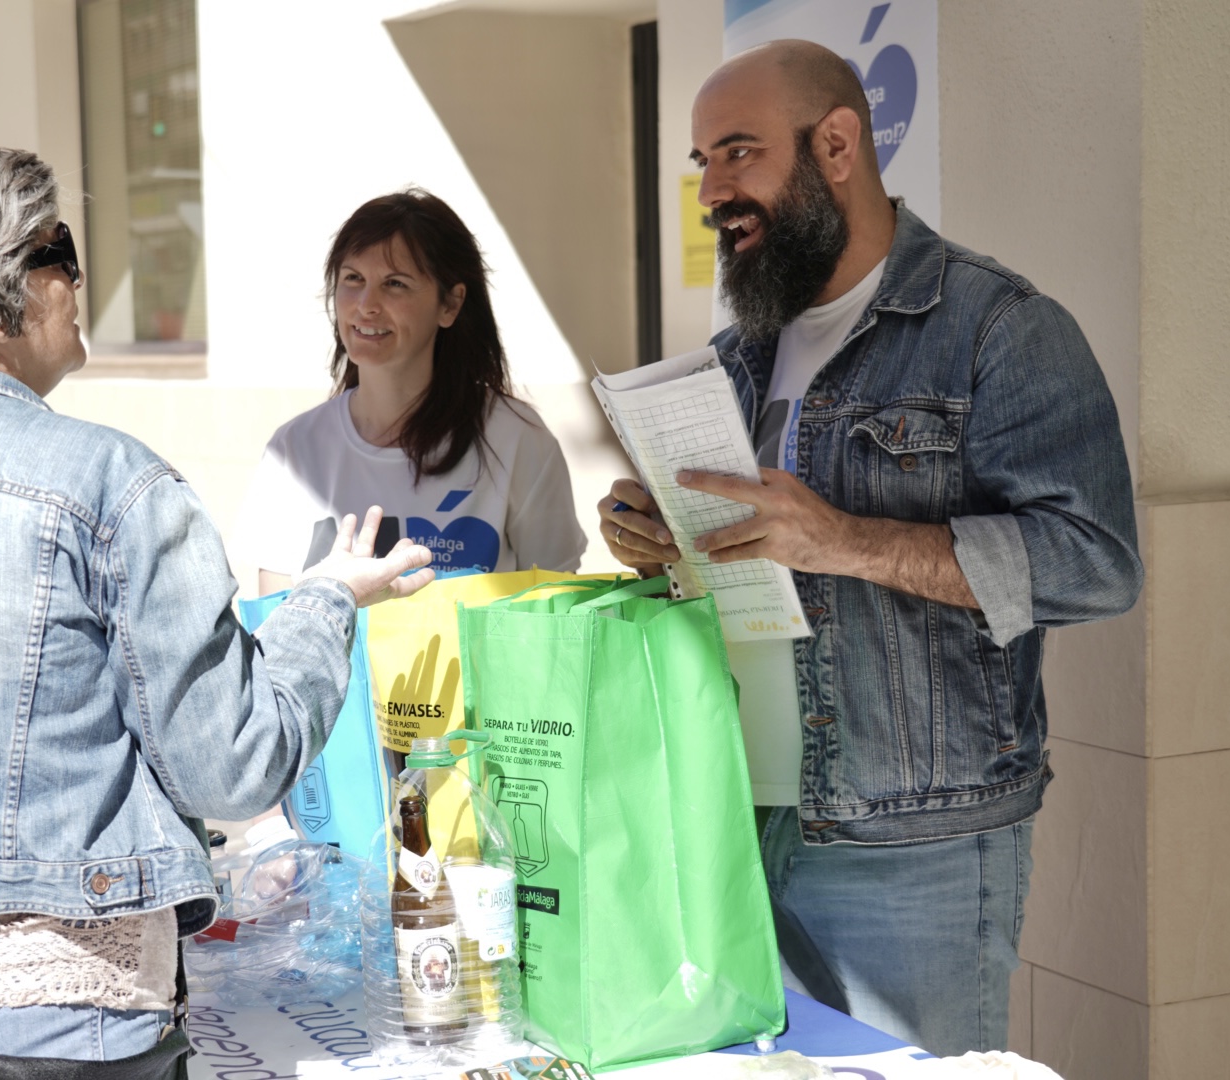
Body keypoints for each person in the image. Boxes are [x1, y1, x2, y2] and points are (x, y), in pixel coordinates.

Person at [0, 145, 433, 1075]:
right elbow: (232, 767)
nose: (76, 280)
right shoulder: (110, 479)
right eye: (57, 251)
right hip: (57, 1015)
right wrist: (324, 605)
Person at [596, 41, 1140, 1056]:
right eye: (701, 161)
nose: (711, 188)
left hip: (910, 847)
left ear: (835, 144)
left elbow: (1094, 561)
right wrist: (665, 543)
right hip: (739, 825)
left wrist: (846, 541)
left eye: (737, 153)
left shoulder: (997, 331)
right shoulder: (738, 352)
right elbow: (760, 561)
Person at [237, 189, 585, 594]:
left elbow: (556, 608)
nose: (366, 305)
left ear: (450, 305)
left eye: (395, 284)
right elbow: (274, 625)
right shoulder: (293, 450)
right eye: (353, 279)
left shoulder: (517, 441)